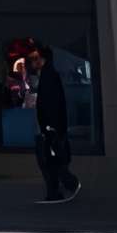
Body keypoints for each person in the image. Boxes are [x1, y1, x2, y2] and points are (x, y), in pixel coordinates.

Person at [27, 40, 80, 203]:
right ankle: (56, 191)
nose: (32, 61)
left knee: (49, 160)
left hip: (49, 127)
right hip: (50, 126)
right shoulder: (47, 75)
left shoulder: (49, 75)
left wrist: (49, 128)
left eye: (35, 58)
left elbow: (51, 104)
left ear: (42, 59)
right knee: (50, 160)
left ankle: (66, 185)